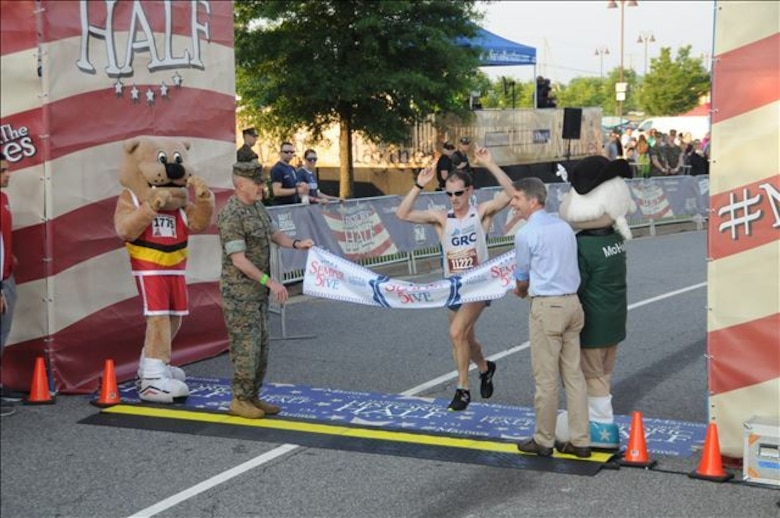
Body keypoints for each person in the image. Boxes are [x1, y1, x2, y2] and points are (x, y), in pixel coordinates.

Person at [394, 146, 512, 411]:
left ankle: (463, 388)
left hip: (479, 286)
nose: (454, 199)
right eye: (449, 194)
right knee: (466, 339)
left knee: (456, 332)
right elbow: (401, 215)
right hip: (454, 288)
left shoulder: (480, 212)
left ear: (469, 191)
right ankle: (485, 367)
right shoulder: (441, 218)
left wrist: (491, 164)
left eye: (459, 193)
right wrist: (418, 185)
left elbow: (512, 193)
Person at [218, 161, 314, 419]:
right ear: (240, 185)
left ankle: (253, 396)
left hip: (257, 294)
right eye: (256, 183)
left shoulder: (257, 207)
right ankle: (239, 399)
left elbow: (274, 234)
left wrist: (296, 244)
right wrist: (269, 282)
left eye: (261, 182)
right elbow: (239, 260)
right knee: (245, 348)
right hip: (240, 294)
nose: (262, 187)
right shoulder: (232, 214)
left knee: (261, 348)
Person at [509, 176, 591, 458]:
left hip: (548, 307)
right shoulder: (563, 227)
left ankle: (544, 439)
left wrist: (520, 291)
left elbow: (522, 276)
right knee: (574, 376)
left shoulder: (526, 234)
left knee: (546, 379)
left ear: (533, 201)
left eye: (517, 198)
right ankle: (580, 439)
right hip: (573, 304)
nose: (513, 203)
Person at [0, 152, 19, 417]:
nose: (8, 173)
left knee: (2, 335)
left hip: (7, 277)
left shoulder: (3, 198)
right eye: (3, 170)